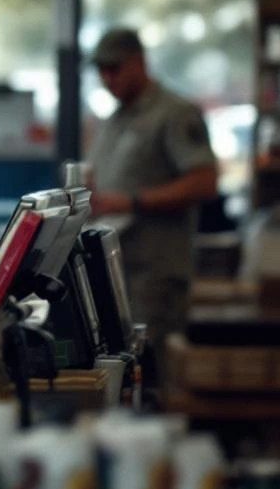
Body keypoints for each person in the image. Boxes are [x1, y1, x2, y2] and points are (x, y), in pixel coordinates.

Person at [86, 28, 219, 373]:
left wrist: (132, 202)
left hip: (154, 279)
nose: (106, 78)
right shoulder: (114, 119)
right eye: (101, 70)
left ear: (139, 62)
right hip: (117, 275)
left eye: (114, 68)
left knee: (154, 376)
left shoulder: (173, 114)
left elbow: (204, 181)